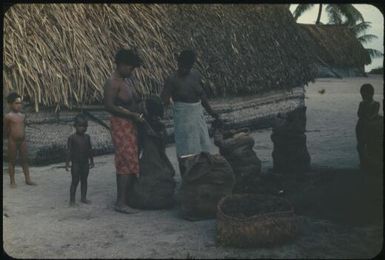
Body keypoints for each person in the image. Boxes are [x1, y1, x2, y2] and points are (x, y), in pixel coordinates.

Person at [161, 50, 220, 173]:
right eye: (182, 66)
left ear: (191, 65)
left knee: (203, 148)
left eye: (187, 67)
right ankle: (186, 180)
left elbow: (202, 96)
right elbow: (164, 100)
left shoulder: (196, 75)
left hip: (197, 116)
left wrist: (211, 112)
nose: (184, 70)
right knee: (185, 151)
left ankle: (202, 176)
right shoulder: (172, 80)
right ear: (178, 63)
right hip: (183, 118)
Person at [104, 48, 145, 214]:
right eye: (129, 67)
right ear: (120, 65)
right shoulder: (112, 82)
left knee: (129, 160)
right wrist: (131, 114)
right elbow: (109, 106)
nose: (131, 70)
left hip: (132, 123)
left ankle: (126, 197)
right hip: (121, 125)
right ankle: (120, 202)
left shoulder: (126, 80)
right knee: (126, 161)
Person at [4, 92, 36, 188]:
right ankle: (12, 181)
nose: (19, 105)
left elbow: (23, 127)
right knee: (12, 161)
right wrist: (10, 137)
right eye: (16, 103)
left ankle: (28, 179)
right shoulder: (8, 116)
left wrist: (22, 136)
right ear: (10, 104)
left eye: (20, 103)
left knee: (25, 160)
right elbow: (5, 129)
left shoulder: (22, 116)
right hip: (12, 141)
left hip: (22, 141)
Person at [65, 114, 94, 206]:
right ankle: (72, 201)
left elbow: (90, 150)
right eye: (80, 126)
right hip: (76, 163)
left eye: (85, 126)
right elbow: (69, 151)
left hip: (85, 163)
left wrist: (92, 161)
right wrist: (67, 163)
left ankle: (83, 198)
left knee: (84, 180)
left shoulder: (87, 137)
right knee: (75, 181)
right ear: (75, 126)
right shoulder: (72, 138)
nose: (82, 128)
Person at [355, 83, 381, 170]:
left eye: (364, 94)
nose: (362, 96)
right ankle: (362, 163)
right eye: (362, 94)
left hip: (369, 127)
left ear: (371, 94)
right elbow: (359, 114)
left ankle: (367, 164)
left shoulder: (376, 103)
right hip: (361, 126)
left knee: (369, 146)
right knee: (360, 146)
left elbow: (372, 116)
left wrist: (365, 114)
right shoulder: (362, 103)